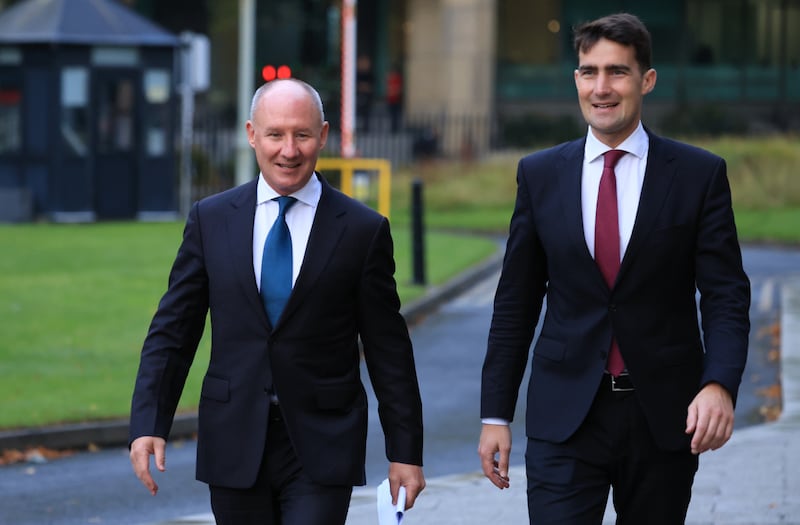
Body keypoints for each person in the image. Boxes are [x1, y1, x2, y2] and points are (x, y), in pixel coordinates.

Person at [478, 12, 750, 524]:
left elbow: (726, 295)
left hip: (665, 415)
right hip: (564, 416)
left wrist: (720, 384)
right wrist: (495, 414)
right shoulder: (539, 175)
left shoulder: (698, 175)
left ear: (646, 80)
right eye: (588, 72)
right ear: (576, 78)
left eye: (617, 72)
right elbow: (515, 301)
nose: (601, 88)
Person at [129, 78, 425, 524]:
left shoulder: (362, 231)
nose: (289, 150)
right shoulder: (211, 220)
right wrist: (149, 422)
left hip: (322, 444)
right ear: (252, 134)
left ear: (323, 136)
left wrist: (405, 453)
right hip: (233, 441)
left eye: (302, 135)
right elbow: (174, 329)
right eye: (275, 135)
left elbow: (389, 350)